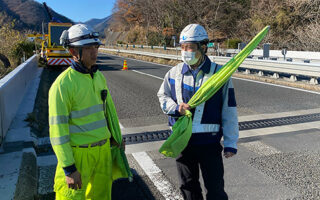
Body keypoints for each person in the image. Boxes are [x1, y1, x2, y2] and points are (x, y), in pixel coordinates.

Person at [157, 24, 239, 200]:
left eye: (191, 47)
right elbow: (163, 96)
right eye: (183, 47)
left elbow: (229, 109)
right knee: (188, 187)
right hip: (182, 141)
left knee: (215, 188)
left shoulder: (219, 74)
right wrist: (175, 108)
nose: (186, 51)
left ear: (203, 47)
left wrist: (231, 142)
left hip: (209, 143)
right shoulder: (174, 73)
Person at [49, 24, 125, 200]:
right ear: (74, 51)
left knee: (102, 197)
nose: (94, 52)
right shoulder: (62, 85)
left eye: (96, 47)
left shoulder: (98, 76)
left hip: (103, 151)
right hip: (78, 155)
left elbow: (108, 112)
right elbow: (57, 132)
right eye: (88, 48)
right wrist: (69, 168)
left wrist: (116, 138)